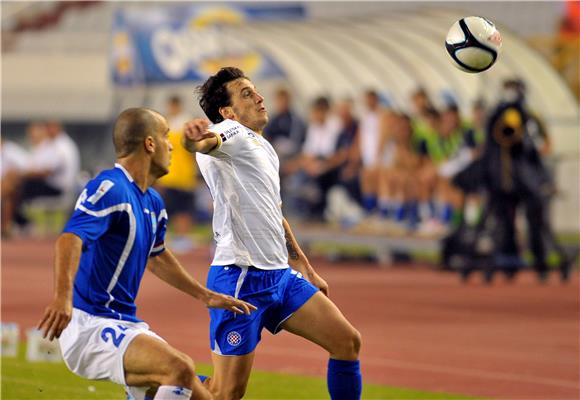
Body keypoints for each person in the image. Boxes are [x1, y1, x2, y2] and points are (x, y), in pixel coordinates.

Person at [38, 108, 256, 400]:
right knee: (178, 368)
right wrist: (62, 298)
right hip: (89, 325)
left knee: (210, 394)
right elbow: (69, 239)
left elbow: (157, 257)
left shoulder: (153, 201)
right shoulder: (111, 188)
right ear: (149, 144)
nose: (171, 145)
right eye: (166, 136)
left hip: (125, 323)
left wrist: (206, 295)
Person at [182, 67, 362, 400]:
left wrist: (304, 266)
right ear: (228, 111)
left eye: (255, 90)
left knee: (346, 342)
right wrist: (192, 138)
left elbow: (275, 214)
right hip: (240, 279)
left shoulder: (263, 148)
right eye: (247, 93)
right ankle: (160, 391)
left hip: (280, 276)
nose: (260, 97)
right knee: (225, 395)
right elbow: (206, 141)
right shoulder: (229, 131)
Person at [156, 96, 198, 254]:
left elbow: (193, 150)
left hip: (185, 174)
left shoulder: (187, 123)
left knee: (184, 208)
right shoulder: (166, 124)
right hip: (170, 174)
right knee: (170, 208)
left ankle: (183, 237)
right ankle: (177, 236)